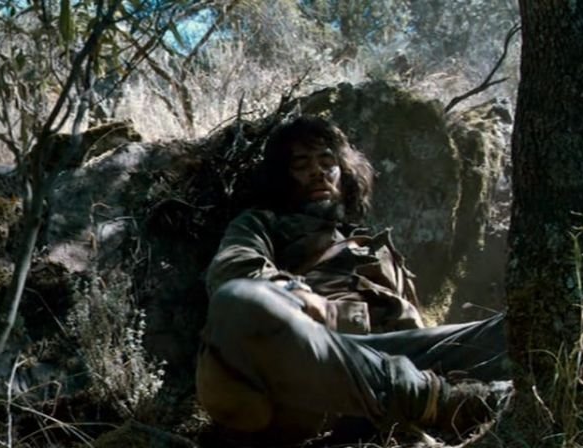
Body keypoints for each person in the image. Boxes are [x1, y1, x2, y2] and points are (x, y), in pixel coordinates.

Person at [195, 115, 508, 445]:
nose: (317, 171)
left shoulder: (375, 246)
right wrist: (295, 294)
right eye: (301, 164)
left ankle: (429, 400)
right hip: (311, 366)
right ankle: (436, 401)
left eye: (327, 161)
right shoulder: (262, 223)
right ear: (281, 176)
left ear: (343, 171)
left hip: (391, 359)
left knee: (515, 328)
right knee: (238, 300)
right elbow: (233, 270)